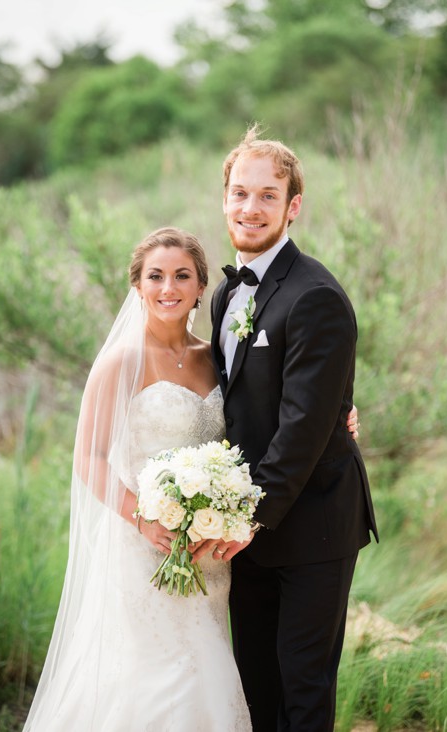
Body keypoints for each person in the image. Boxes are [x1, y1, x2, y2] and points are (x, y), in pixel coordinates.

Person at [22, 228, 361, 730]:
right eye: (154, 276)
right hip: (145, 549)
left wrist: (341, 412)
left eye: (182, 276)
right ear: (136, 285)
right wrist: (142, 518)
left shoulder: (216, 356)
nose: (168, 288)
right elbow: (88, 457)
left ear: (203, 287)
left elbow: (277, 400)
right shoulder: (120, 362)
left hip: (212, 553)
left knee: (215, 670)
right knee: (154, 679)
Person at [206, 126, 378, 731]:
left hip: (311, 526)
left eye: (267, 195)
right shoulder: (226, 293)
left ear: (292, 206)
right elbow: (232, 402)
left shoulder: (315, 297)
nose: (250, 208)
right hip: (244, 524)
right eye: (239, 193)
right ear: (224, 198)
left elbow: (304, 424)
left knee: (302, 691)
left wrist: (247, 519)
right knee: (256, 685)